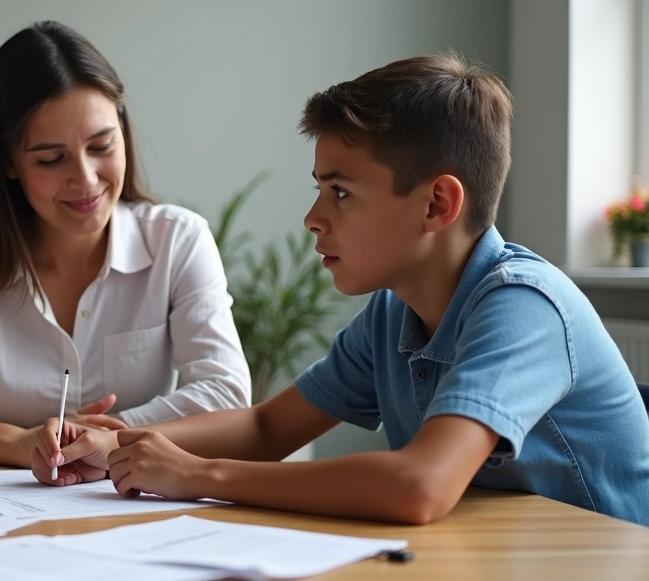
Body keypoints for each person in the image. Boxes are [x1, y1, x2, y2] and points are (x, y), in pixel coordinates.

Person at [33, 53, 649, 526]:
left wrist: (201, 474)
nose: (313, 218)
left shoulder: (524, 306)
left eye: (341, 192)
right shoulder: (394, 311)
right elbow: (268, 430)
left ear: (437, 203)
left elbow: (420, 486)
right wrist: (119, 442)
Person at [0, 21, 251, 467]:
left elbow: (226, 394)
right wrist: (19, 444)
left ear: (123, 132)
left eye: (102, 146)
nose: (86, 179)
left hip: (137, 505)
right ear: (8, 163)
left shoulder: (177, 240)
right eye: (51, 159)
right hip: (0, 513)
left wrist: (107, 438)